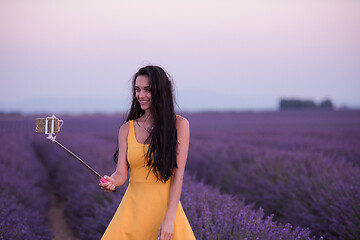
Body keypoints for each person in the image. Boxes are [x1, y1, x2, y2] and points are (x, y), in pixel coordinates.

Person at [99, 65, 196, 240]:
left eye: (147, 90)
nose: (140, 95)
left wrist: (169, 219)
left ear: (160, 91)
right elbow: (121, 174)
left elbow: (178, 174)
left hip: (164, 211)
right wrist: (112, 181)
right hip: (132, 211)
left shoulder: (179, 125)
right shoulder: (126, 129)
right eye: (137, 89)